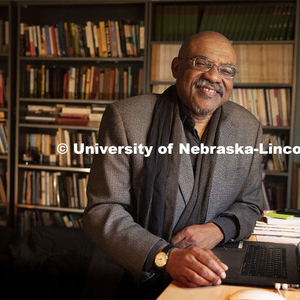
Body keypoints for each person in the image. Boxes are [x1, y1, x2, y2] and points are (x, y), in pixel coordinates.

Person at [83, 31, 264, 298]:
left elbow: (250, 204)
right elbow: (102, 210)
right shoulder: (125, 118)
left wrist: (218, 230)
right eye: (202, 63)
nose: (214, 77)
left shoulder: (248, 128)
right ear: (176, 68)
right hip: (130, 277)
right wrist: (165, 256)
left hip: (211, 277)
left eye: (226, 70)